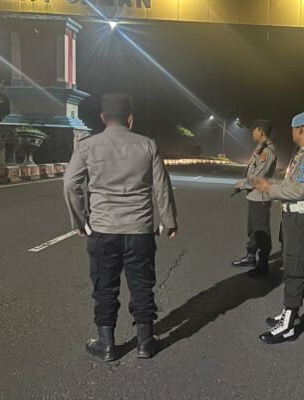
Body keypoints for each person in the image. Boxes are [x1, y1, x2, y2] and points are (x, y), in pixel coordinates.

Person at [63, 93, 178, 361]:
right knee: (142, 285)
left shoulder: (87, 146)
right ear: (130, 118)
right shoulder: (148, 145)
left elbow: (70, 184)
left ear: (103, 117)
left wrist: (80, 221)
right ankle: (145, 344)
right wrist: (169, 220)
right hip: (139, 231)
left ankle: (106, 345)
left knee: (105, 287)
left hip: (103, 230)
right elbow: (162, 186)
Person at [253, 110, 304, 344]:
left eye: (293, 129)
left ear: (300, 129)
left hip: (301, 220)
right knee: (291, 265)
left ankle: (287, 325)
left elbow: (300, 191)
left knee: (296, 268)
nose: (292, 133)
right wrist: (273, 184)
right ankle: (288, 311)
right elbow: (293, 184)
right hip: (294, 218)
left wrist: (269, 189)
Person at [231, 119, 277, 276]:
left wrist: (243, 183)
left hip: (261, 197)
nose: (252, 133)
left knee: (261, 231)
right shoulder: (260, 148)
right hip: (253, 196)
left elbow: (259, 176)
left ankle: (263, 265)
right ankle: (251, 257)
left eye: (254, 130)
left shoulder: (267, 151)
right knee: (253, 230)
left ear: (261, 132)